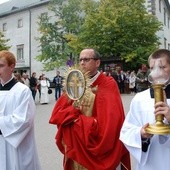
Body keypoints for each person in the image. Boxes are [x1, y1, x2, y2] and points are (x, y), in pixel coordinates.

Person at [49, 48, 131, 170]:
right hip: (77, 144)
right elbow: (57, 115)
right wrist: (73, 112)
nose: (82, 62)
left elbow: (113, 121)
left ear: (97, 63)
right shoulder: (74, 83)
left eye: (86, 59)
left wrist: (81, 123)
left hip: (98, 143)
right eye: (80, 59)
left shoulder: (108, 84)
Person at [120, 49, 170, 170]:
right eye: (152, 68)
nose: (157, 73)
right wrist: (141, 135)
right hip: (150, 164)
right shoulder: (139, 99)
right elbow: (126, 131)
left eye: (162, 67)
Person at [0, 50, 41, 170]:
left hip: (16, 146)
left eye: (1, 66)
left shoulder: (22, 91)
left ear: (12, 66)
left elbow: (23, 120)